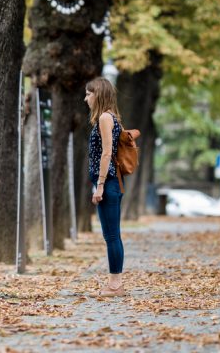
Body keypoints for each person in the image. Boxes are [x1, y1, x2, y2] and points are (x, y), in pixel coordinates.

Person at [86, 76, 126, 297]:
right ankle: (115, 283)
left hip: (108, 183)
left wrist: (100, 185)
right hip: (111, 183)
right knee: (113, 235)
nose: (86, 99)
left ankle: (115, 286)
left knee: (111, 236)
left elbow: (107, 153)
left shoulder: (104, 118)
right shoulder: (111, 117)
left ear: (98, 95)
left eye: (88, 94)